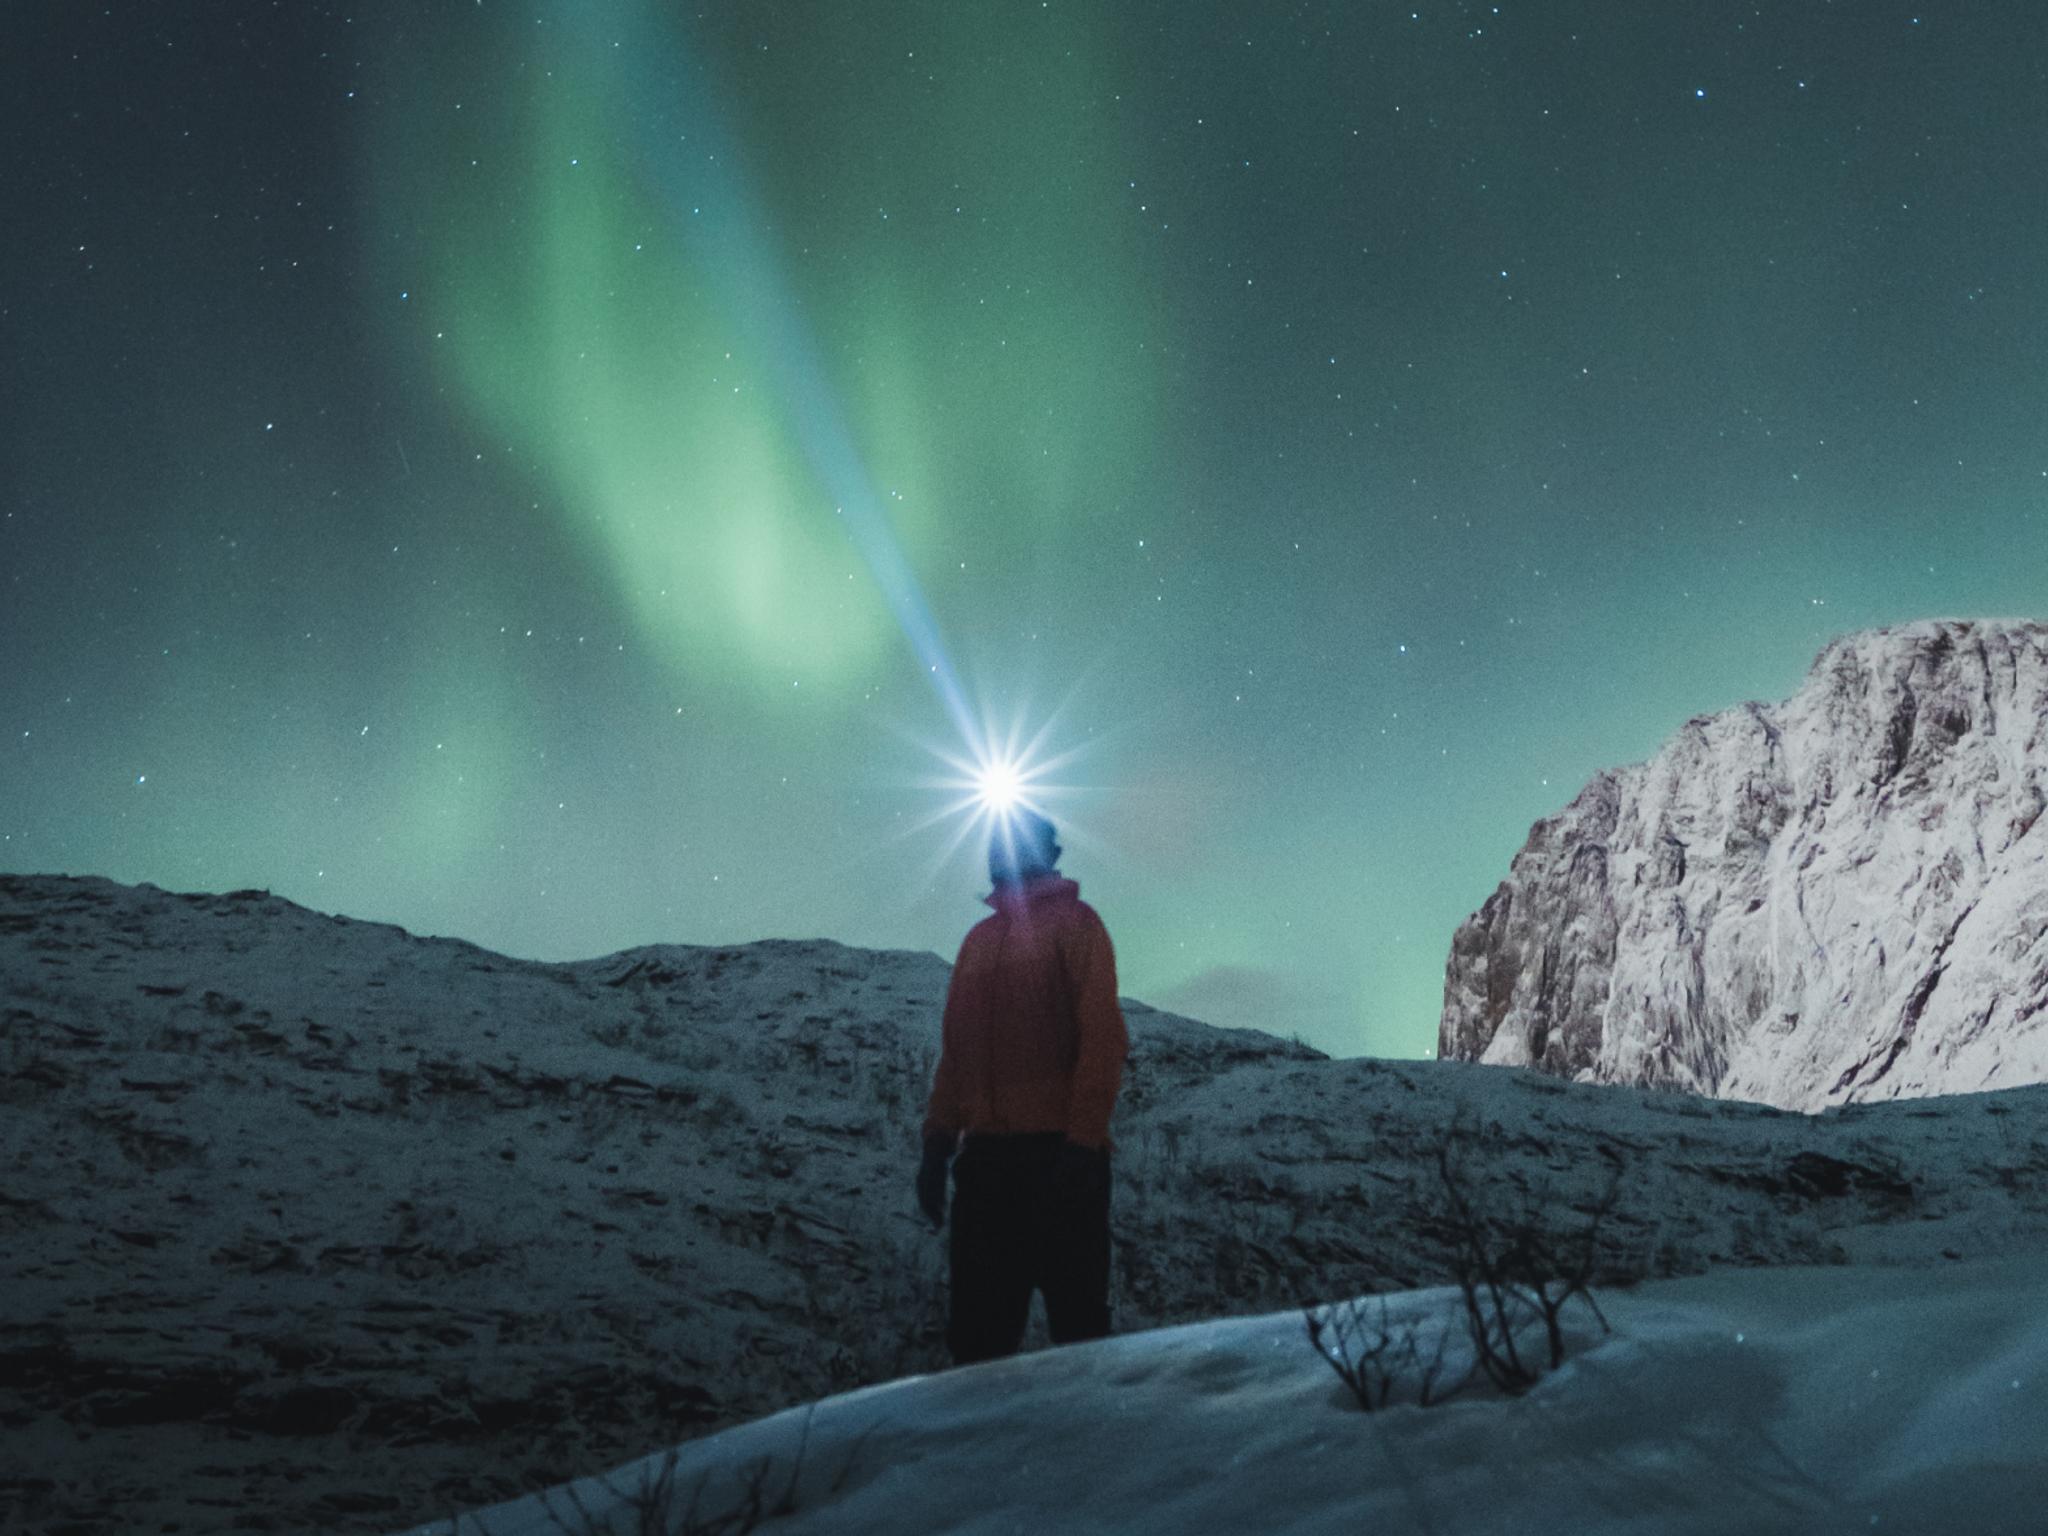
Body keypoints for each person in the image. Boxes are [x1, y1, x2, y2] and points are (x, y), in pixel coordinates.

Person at [917, 810, 1129, 1365]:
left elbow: (1102, 1039)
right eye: (994, 845)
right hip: (988, 1166)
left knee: (1078, 1338)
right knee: (978, 1344)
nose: (998, 855)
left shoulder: (1078, 925)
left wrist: (1082, 1143)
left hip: (1061, 1159)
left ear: (1045, 853)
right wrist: (937, 1145)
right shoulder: (978, 942)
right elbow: (956, 1052)